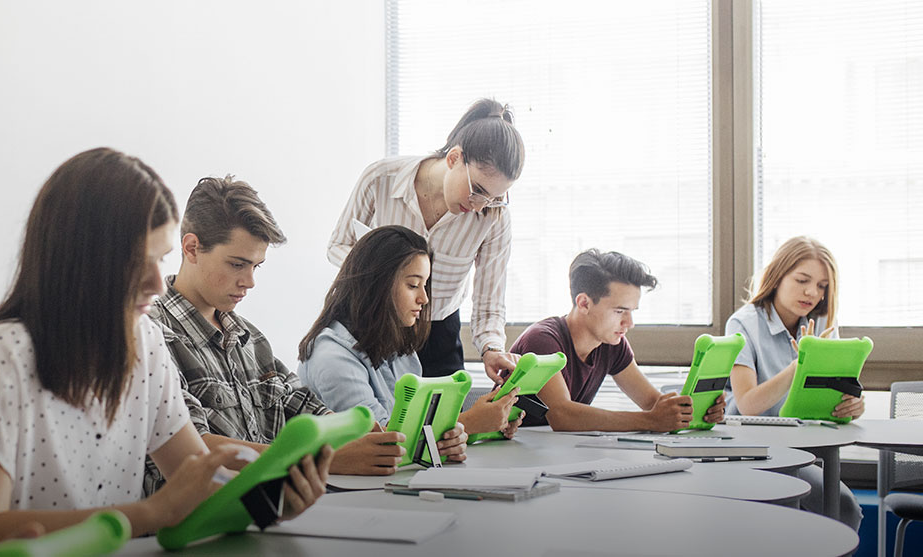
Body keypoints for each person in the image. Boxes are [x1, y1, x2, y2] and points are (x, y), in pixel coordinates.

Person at [0, 149, 332, 541]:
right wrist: (148, 514)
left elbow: (199, 479)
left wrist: (273, 502)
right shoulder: (4, 353)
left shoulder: (145, 341)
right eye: (135, 262)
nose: (158, 284)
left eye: (160, 261)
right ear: (83, 260)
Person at [143, 177, 460, 493]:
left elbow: (310, 410)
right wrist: (326, 458)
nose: (250, 281)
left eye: (257, 266)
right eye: (238, 264)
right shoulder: (153, 337)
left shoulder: (251, 340)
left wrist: (374, 440)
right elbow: (190, 447)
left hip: (265, 517)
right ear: (192, 248)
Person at [328, 98, 525, 385]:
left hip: (438, 335)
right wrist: (384, 275)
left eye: (495, 198)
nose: (481, 205)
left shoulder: (493, 217)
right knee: (379, 426)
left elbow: (489, 302)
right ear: (454, 158)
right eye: (478, 190)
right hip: (374, 323)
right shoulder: (381, 178)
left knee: (445, 428)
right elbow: (338, 245)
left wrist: (492, 348)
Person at [299, 225, 520, 443]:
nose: (424, 298)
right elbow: (383, 442)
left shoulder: (398, 346)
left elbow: (419, 428)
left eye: (424, 285)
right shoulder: (332, 358)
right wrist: (469, 424)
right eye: (413, 285)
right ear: (377, 284)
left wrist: (490, 425)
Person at [725, 236, 862, 529]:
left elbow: (830, 397)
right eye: (802, 280)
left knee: (846, 508)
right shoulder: (743, 324)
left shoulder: (821, 324)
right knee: (787, 515)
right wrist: (798, 366)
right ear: (777, 277)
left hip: (801, 450)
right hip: (754, 452)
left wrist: (850, 404)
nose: (813, 292)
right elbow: (748, 405)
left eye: (822, 286)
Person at [511, 249, 726, 432]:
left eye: (632, 311)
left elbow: (652, 402)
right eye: (620, 311)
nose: (629, 323)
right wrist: (651, 421)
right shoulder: (542, 341)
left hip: (556, 453)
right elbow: (562, 415)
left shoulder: (611, 343)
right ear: (584, 303)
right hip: (509, 455)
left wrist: (690, 411)